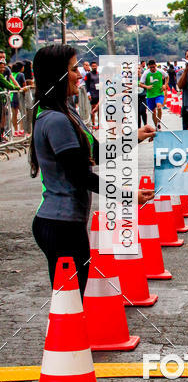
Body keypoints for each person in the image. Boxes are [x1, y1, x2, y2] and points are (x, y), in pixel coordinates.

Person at [30, 45, 155, 296]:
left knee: (72, 301)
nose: (80, 74)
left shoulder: (67, 111)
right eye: (73, 68)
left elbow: (94, 154)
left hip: (68, 223)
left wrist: (134, 137)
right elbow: (81, 175)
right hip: (60, 225)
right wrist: (127, 197)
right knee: (70, 303)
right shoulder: (55, 120)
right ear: (58, 75)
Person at [140, 59, 168, 129]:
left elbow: (167, 77)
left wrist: (165, 85)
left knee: (159, 106)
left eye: (154, 67)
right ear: (148, 66)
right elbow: (140, 84)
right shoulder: (146, 73)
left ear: (156, 65)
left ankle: (159, 122)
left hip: (159, 93)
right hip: (150, 95)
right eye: (151, 67)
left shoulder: (160, 71)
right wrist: (147, 86)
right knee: (153, 112)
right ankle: (156, 126)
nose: (152, 69)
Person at [10, 61, 26, 136]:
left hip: (11, 96)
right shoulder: (21, 75)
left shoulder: (12, 74)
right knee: (22, 112)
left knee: (14, 114)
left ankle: (15, 130)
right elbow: (24, 85)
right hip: (19, 96)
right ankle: (21, 129)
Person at [84, 60, 100, 130]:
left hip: (99, 93)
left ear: (97, 66)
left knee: (99, 109)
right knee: (93, 109)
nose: (94, 67)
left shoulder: (99, 74)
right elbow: (86, 85)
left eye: (95, 66)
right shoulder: (88, 74)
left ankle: (99, 124)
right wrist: (88, 94)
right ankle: (93, 124)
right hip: (92, 94)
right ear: (91, 67)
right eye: (93, 66)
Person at [137, 64, 148, 129]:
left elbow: (147, 86)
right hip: (135, 97)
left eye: (138, 68)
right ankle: (139, 128)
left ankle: (145, 124)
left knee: (143, 111)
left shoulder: (143, 78)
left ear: (140, 69)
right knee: (137, 113)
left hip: (143, 97)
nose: (137, 70)